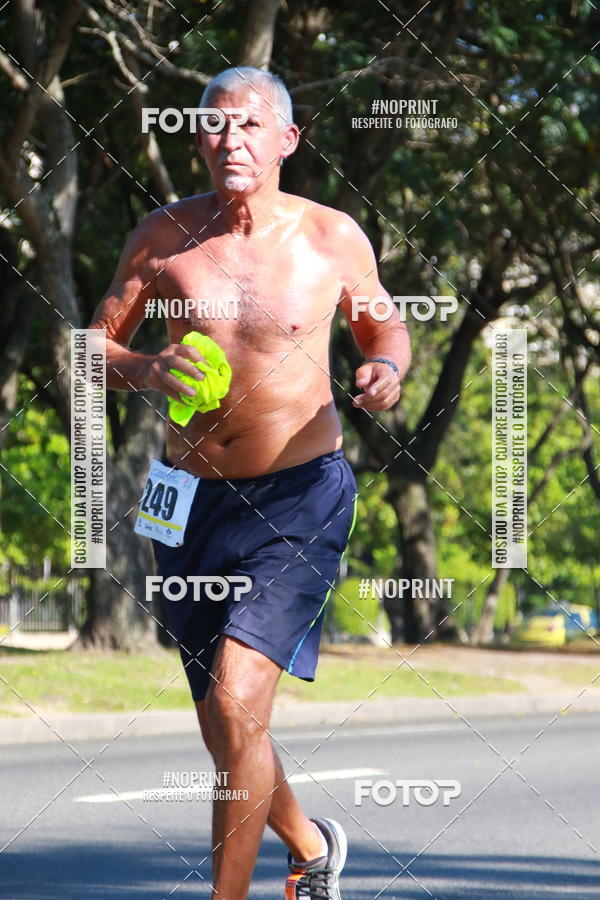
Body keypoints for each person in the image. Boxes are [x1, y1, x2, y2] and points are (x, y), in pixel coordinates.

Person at [90, 66, 410, 900]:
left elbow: (383, 324)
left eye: (251, 126)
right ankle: (310, 848)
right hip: (184, 500)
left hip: (297, 496)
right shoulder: (162, 236)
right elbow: (92, 350)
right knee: (221, 722)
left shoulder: (331, 236)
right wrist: (147, 367)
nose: (231, 141)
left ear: (287, 141)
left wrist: (384, 367)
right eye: (216, 126)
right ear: (198, 138)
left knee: (237, 704)